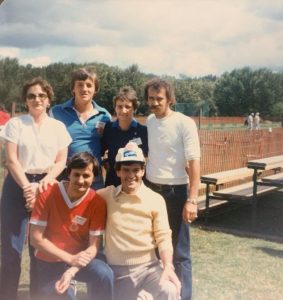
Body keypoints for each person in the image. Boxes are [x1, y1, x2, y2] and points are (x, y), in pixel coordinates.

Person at [0, 77, 72, 300]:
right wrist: (27, 188)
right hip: (17, 185)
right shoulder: (15, 124)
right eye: (31, 95)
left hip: (47, 186)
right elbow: (11, 160)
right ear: (25, 100)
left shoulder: (58, 127)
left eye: (41, 95)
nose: (37, 99)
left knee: (40, 250)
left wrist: (40, 185)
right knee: (12, 251)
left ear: (49, 99)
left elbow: (61, 161)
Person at [97, 142, 181, 300]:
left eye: (136, 170)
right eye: (126, 170)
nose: (131, 175)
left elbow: (163, 236)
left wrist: (168, 265)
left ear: (143, 171)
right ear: (118, 171)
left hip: (150, 268)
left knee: (170, 290)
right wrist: (56, 186)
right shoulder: (107, 196)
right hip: (118, 271)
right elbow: (81, 194)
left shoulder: (156, 199)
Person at [143, 78, 200, 300]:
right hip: (151, 190)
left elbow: (194, 163)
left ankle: (184, 297)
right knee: (157, 248)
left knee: (180, 252)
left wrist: (192, 200)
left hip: (177, 193)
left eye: (159, 99)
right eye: (151, 98)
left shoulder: (184, 123)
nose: (155, 103)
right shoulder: (150, 121)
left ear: (170, 99)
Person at [29, 152, 114, 300]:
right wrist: (69, 259)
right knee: (62, 296)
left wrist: (72, 270)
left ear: (94, 177)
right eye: (76, 174)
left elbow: (93, 246)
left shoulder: (97, 202)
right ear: (68, 173)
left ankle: (72, 280)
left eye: (86, 176)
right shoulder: (47, 193)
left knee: (104, 274)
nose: (80, 180)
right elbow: (36, 239)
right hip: (50, 259)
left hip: (79, 262)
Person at [50, 66, 111, 189]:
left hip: (94, 179)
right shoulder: (55, 113)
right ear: (73, 88)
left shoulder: (104, 116)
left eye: (89, 85)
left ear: (95, 89)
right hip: (65, 177)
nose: (84, 89)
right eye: (80, 85)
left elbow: (107, 145)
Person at [101, 86, 148, 187]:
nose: (123, 110)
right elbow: (101, 150)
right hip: (113, 183)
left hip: (135, 183)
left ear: (134, 109)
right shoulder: (108, 129)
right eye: (120, 106)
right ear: (115, 108)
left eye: (127, 107)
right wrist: (106, 162)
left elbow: (147, 157)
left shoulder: (142, 131)